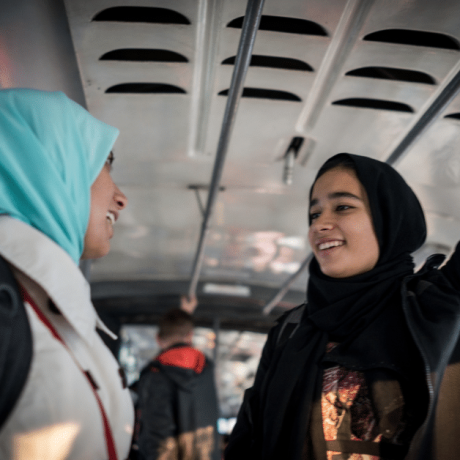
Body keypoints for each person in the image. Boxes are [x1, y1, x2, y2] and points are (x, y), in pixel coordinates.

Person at [225, 153, 460, 460]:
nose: (320, 224)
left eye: (343, 207)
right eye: (314, 214)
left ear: (388, 217)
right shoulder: (290, 330)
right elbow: (248, 442)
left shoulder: (436, 310)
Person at [0, 88, 133, 459]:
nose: (122, 198)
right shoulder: (8, 305)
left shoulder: (44, 296)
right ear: (45, 163)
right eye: (104, 163)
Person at [134, 308, 220, 460]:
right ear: (190, 336)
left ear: (158, 339)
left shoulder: (154, 375)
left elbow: (158, 435)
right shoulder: (206, 369)